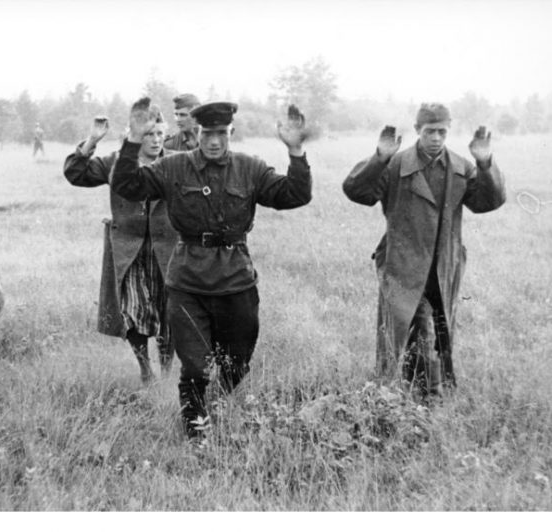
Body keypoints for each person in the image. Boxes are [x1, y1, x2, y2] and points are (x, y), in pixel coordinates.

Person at [111, 99, 313, 441]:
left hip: (236, 280)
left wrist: (295, 151)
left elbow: (294, 194)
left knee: (238, 363)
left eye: (221, 133)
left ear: (230, 132)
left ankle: (216, 407)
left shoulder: (250, 168)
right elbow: (128, 186)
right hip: (188, 282)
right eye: (208, 133)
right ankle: (195, 432)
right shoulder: (174, 168)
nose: (214, 141)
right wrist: (132, 140)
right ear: (196, 132)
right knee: (194, 365)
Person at [342, 103, 506, 400]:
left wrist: (484, 164)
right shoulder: (395, 165)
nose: (436, 138)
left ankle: (417, 396)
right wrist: (379, 158)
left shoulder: (461, 167)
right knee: (410, 331)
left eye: (442, 131)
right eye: (430, 131)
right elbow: (357, 192)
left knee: (436, 332)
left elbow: (487, 202)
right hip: (403, 266)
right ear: (417, 130)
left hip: (443, 268)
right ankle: (422, 397)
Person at [63, 108, 177, 383]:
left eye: (160, 134)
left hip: (168, 251)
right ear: (134, 135)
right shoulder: (116, 162)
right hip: (130, 250)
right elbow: (75, 173)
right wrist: (92, 140)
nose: (155, 140)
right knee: (132, 310)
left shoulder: (176, 163)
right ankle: (145, 369)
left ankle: (166, 370)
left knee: (169, 312)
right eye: (148, 134)